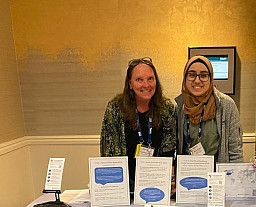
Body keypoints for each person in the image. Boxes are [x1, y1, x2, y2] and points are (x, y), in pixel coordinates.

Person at [100, 57, 176, 191]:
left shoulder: (166, 108)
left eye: (150, 79)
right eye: (139, 80)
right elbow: (109, 154)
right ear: (130, 84)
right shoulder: (116, 108)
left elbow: (168, 150)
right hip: (124, 187)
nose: (146, 85)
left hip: (156, 186)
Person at [175, 56, 243, 163]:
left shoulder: (226, 105)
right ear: (185, 77)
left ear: (211, 78)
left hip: (217, 175)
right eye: (192, 75)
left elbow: (235, 152)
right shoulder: (179, 106)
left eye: (203, 75)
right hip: (187, 174)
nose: (197, 81)